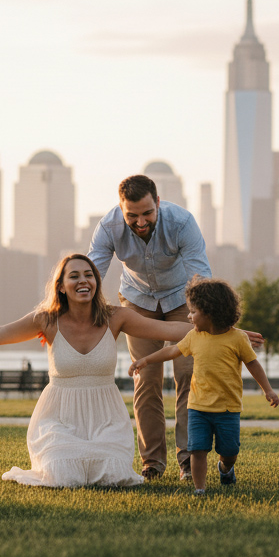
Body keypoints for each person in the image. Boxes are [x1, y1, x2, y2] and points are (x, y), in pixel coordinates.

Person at [0, 253, 196, 488]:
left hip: (106, 420)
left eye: (89, 275)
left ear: (96, 282)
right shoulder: (46, 321)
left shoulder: (115, 317)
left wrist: (224, 330)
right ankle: (59, 452)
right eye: (74, 276)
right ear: (61, 286)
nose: (83, 280)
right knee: (64, 474)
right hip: (58, 420)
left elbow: (170, 329)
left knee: (114, 475)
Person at [88, 174, 214, 483]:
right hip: (138, 301)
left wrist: (213, 321)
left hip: (181, 301)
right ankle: (153, 462)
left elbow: (201, 275)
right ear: (122, 209)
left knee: (187, 375)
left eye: (147, 213)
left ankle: (187, 459)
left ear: (157, 202)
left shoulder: (182, 223)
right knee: (145, 377)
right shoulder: (109, 227)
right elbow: (91, 274)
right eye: (132, 215)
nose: (140, 222)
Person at [128, 276, 278, 496]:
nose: (189, 317)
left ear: (210, 313)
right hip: (198, 407)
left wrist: (268, 389)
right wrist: (146, 360)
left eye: (193, 312)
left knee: (229, 451)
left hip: (227, 408)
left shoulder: (237, 339)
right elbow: (172, 351)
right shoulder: (194, 336)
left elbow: (253, 364)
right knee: (197, 450)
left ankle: (225, 468)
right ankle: (200, 489)